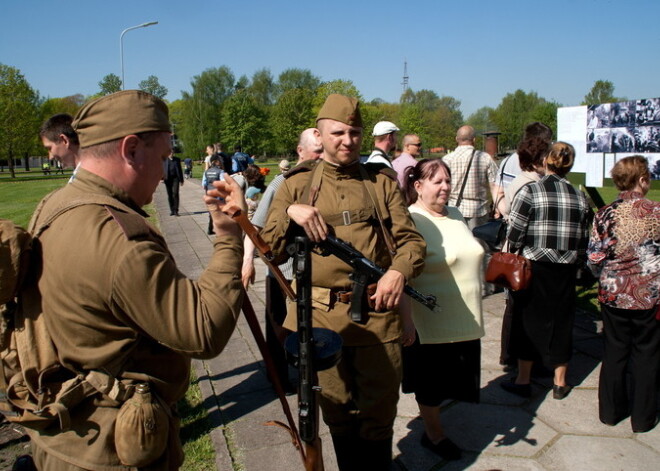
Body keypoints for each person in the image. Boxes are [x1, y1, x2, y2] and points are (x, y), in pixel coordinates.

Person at [27, 89, 245, 470]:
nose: (164, 172)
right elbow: (204, 331)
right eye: (162, 158)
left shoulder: (53, 205)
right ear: (130, 150)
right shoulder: (122, 239)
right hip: (109, 450)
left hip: (62, 436)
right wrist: (228, 238)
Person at [261, 94, 426, 470]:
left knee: (379, 417)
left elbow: (412, 242)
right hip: (320, 321)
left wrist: (398, 272)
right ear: (320, 135)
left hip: (376, 314)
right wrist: (290, 211)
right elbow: (270, 250)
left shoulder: (381, 182)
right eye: (338, 132)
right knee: (337, 415)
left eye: (354, 132)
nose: (347, 140)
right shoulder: (295, 184)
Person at [400, 158, 485, 461]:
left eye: (447, 180)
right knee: (430, 384)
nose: (445, 187)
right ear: (418, 186)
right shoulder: (410, 219)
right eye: (437, 181)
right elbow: (403, 273)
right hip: (429, 321)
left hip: (462, 316)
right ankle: (434, 435)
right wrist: (406, 321)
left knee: (453, 378)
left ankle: (438, 423)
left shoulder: (456, 213)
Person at [501, 142, 591, 401]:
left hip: (534, 265)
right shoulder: (579, 196)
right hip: (565, 268)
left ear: (546, 161)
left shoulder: (531, 191)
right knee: (562, 322)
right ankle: (560, 381)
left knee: (528, 321)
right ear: (569, 165)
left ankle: (523, 379)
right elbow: (583, 238)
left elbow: (515, 232)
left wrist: (514, 251)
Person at [241, 128, 322, 394]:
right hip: (284, 271)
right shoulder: (281, 183)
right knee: (280, 328)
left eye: (324, 152)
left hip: (315, 271)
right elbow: (255, 226)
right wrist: (247, 261)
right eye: (316, 152)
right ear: (300, 152)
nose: (320, 157)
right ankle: (277, 378)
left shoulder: (325, 182)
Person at [587, 155, 660, 433]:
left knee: (615, 352)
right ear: (642, 179)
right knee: (647, 355)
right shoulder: (656, 211)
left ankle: (610, 411)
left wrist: (604, 278)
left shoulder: (604, 214)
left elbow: (594, 257)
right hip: (649, 297)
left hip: (613, 294)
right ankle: (643, 418)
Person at [498, 132, 552, 372]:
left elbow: (505, 206)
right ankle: (518, 358)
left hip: (519, 251)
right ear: (538, 159)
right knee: (521, 310)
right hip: (523, 254)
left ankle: (511, 355)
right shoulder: (531, 185)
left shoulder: (521, 180)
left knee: (515, 308)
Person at [203, 156, 225, 234]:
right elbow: (223, 182)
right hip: (218, 193)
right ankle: (220, 228)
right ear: (215, 161)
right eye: (219, 161)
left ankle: (210, 228)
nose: (221, 162)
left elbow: (204, 184)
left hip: (209, 192)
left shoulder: (206, 172)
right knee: (220, 210)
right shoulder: (220, 171)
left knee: (212, 211)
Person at [162, 151, 184, 216]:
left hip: (176, 179)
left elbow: (180, 170)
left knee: (175, 193)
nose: (171, 154)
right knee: (170, 194)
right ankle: (172, 210)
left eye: (172, 153)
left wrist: (182, 180)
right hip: (168, 179)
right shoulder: (165, 160)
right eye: (170, 153)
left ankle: (176, 210)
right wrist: (161, 178)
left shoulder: (177, 160)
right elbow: (162, 169)